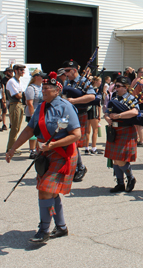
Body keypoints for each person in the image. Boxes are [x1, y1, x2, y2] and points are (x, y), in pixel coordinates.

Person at [5, 73, 81, 243]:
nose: (43, 90)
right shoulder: (40, 107)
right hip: (45, 155)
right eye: (43, 88)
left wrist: (53, 145)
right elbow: (28, 131)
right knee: (50, 193)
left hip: (62, 155)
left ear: (56, 91)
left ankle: (44, 229)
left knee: (44, 190)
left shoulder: (66, 107)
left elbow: (76, 135)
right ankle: (61, 227)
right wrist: (12, 149)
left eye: (47, 88)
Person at [62, 60, 96, 182]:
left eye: (67, 70)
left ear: (74, 70)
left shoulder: (84, 81)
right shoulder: (67, 81)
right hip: (66, 114)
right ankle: (73, 167)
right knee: (67, 141)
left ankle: (80, 167)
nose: (65, 73)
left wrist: (74, 101)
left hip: (79, 113)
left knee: (73, 142)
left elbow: (92, 96)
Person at [104, 76, 139, 192]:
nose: (116, 88)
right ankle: (120, 183)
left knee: (120, 160)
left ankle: (130, 178)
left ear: (126, 88)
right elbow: (107, 112)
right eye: (115, 86)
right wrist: (107, 118)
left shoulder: (131, 98)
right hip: (114, 131)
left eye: (118, 86)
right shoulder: (114, 98)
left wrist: (119, 116)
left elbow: (135, 112)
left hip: (126, 130)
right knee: (115, 159)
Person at [6, 64, 26, 154]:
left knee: (17, 128)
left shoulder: (19, 81)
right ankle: (10, 148)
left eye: (23, 70)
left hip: (19, 105)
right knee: (14, 127)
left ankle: (13, 147)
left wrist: (21, 94)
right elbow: (18, 95)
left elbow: (21, 94)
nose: (23, 71)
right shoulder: (11, 81)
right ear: (16, 71)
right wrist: (21, 94)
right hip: (14, 105)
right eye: (21, 70)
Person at [25, 69, 45, 159]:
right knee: (33, 132)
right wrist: (33, 115)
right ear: (36, 77)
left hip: (41, 112)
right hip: (33, 113)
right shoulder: (31, 88)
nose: (43, 78)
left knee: (40, 132)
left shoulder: (41, 87)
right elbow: (30, 103)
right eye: (41, 76)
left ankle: (38, 149)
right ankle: (32, 150)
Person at [85, 76, 102, 155]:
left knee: (87, 131)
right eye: (100, 81)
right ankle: (94, 148)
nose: (100, 83)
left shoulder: (87, 89)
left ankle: (86, 148)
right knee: (95, 130)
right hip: (93, 110)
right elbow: (98, 103)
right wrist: (99, 114)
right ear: (96, 82)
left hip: (86, 110)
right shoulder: (96, 91)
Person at [0, 67, 12, 131]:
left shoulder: (13, 79)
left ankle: (11, 123)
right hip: (5, 98)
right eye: (9, 71)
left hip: (11, 97)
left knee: (11, 111)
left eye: (11, 71)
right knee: (4, 111)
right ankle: (4, 124)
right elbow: (2, 89)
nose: (11, 72)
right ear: (6, 72)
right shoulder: (4, 80)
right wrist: (3, 99)